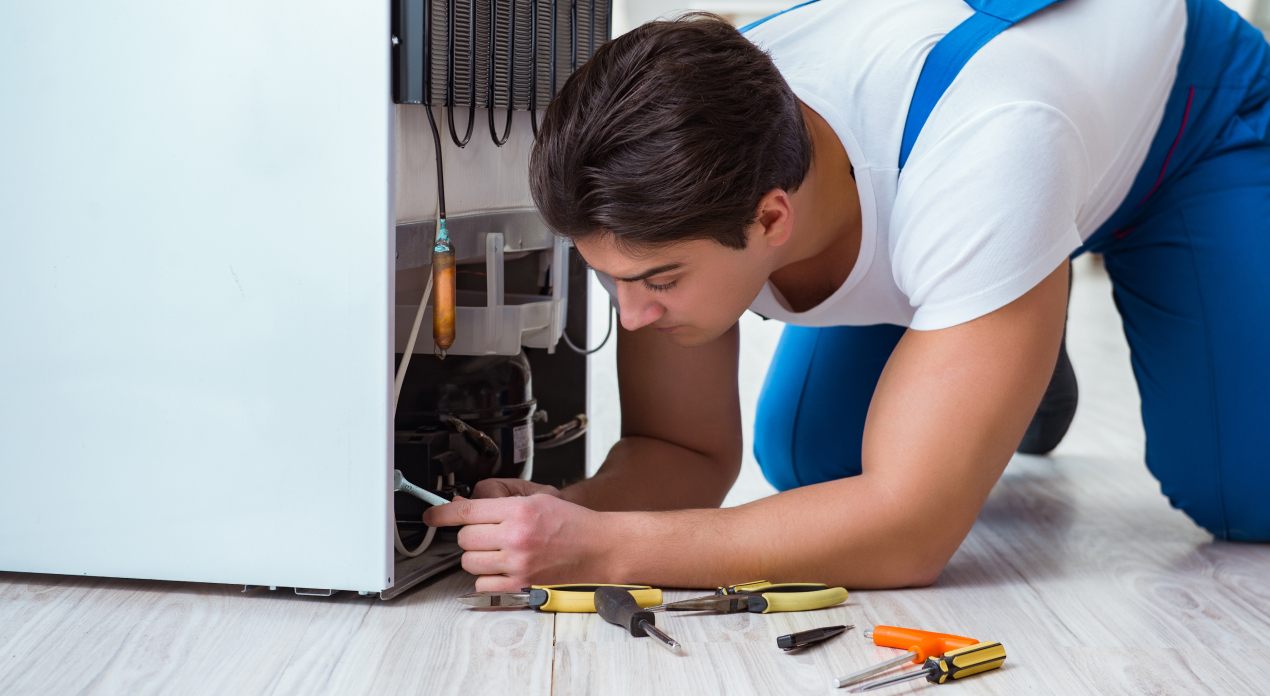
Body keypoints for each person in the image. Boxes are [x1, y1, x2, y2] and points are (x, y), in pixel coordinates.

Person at [424, 0, 1270, 591]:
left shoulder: (989, 149)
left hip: (1184, 122)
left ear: (771, 217)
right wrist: (568, 512)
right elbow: (683, 453)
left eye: (657, 282)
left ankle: (1003, 313)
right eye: (609, 278)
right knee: (815, 461)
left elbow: (909, 535)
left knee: (1241, 494)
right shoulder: (674, 167)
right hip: (987, 190)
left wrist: (607, 550)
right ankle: (1000, 332)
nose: (631, 313)